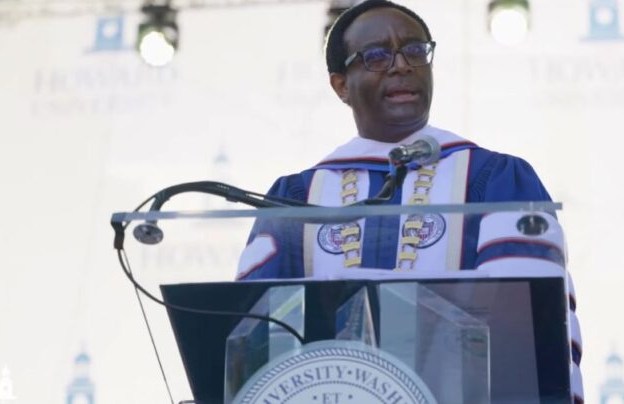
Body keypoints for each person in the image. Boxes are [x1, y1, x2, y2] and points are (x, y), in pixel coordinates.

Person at [236, 1, 583, 402]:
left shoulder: (494, 179)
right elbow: (252, 337)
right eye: (377, 56)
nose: (401, 65)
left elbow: (529, 331)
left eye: (415, 51)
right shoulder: (297, 199)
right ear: (341, 85)